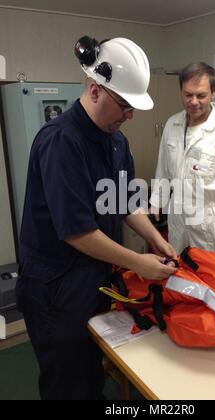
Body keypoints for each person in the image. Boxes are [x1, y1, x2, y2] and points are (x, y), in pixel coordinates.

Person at [15, 36, 177, 401]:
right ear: (94, 90)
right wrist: (139, 262)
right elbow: (77, 233)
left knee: (93, 371)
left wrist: (157, 240)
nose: (129, 116)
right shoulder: (60, 141)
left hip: (94, 278)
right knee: (66, 382)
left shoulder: (116, 141)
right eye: (123, 105)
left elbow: (126, 202)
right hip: (55, 286)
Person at [150, 62, 215, 254]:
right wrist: (157, 202)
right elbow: (163, 167)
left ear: (213, 93)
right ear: (181, 92)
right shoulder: (173, 124)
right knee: (179, 273)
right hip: (178, 217)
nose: (194, 101)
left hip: (210, 224)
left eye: (201, 95)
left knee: (210, 276)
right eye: (188, 94)